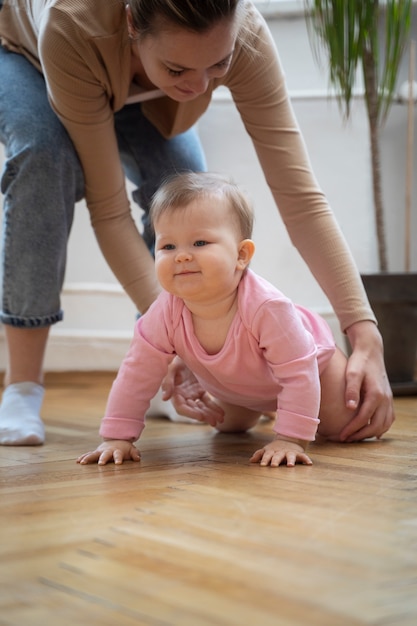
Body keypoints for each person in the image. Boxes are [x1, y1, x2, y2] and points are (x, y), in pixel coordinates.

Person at [0, 0, 393, 447]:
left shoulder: (243, 34)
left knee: (186, 195)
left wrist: (364, 331)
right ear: (132, 23)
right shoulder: (72, 24)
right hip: (31, 55)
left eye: (218, 65)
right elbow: (108, 211)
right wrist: (174, 339)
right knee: (43, 158)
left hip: (139, 67)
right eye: (179, 69)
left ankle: (165, 374)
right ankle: (22, 385)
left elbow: (301, 199)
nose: (202, 85)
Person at [77, 171, 368, 468]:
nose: (182, 256)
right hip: (244, 386)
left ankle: (286, 410)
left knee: (340, 428)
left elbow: (298, 372)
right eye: (168, 246)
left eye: (200, 243)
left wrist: (291, 438)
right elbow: (136, 372)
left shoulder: (267, 307)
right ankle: (270, 408)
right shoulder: (163, 312)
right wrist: (117, 437)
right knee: (228, 426)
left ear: (241, 255)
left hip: (314, 367)